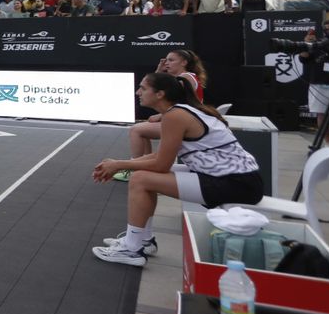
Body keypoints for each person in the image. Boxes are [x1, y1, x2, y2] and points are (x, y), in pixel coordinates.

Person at [92, 72, 262, 266]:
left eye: (143, 88)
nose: (138, 92)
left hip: (236, 183)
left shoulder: (175, 116)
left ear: (160, 94)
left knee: (140, 179)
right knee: (143, 175)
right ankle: (143, 241)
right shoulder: (179, 112)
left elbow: (161, 165)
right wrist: (118, 163)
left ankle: (131, 249)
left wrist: (119, 165)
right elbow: (159, 156)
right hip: (235, 179)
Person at [114, 48, 207, 182]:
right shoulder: (183, 77)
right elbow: (153, 84)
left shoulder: (185, 78)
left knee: (136, 130)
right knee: (142, 130)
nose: (167, 63)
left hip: (187, 125)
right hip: (187, 121)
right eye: (166, 60)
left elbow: (180, 104)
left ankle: (133, 170)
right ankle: (143, 168)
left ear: (184, 62)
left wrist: (160, 116)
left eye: (171, 60)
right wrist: (159, 70)